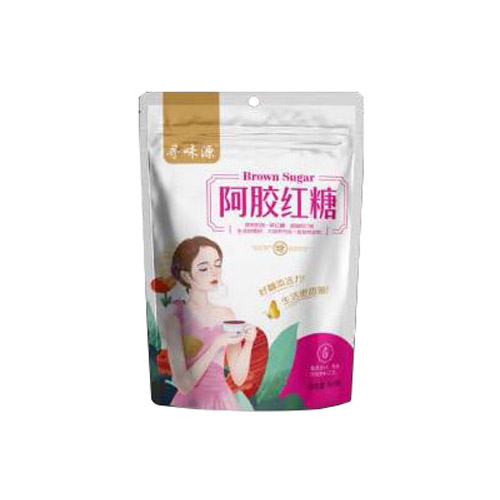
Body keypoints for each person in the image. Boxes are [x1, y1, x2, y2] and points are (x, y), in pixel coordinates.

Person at [161, 236, 257, 409]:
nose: (214, 272)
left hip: (223, 399)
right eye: (204, 268)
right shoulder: (175, 316)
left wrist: (249, 343)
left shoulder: (226, 314)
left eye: (217, 265)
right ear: (186, 275)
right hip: (191, 401)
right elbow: (183, 385)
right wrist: (216, 345)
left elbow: (238, 377)